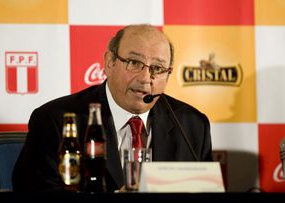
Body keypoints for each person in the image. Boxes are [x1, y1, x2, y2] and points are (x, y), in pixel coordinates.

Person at [12, 24, 213, 192]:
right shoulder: (55, 120)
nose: (145, 79)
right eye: (134, 62)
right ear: (109, 63)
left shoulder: (192, 125)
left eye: (157, 69)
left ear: (168, 75)